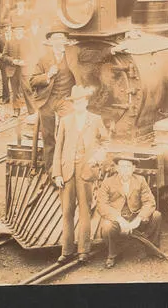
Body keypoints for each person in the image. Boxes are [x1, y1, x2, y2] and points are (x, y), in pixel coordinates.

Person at [52, 85, 108, 264]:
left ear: (86, 101)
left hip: (86, 172)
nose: (78, 104)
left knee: (85, 211)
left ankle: (84, 250)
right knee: (67, 212)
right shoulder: (65, 121)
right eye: (75, 102)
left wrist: (97, 158)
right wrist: (57, 174)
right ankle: (67, 250)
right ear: (72, 104)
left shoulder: (96, 119)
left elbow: (106, 143)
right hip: (67, 171)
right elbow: (58, 149)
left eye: (81, 101)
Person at [98, 154, 163, 269]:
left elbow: (149, 202)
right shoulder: (107, 182)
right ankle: (113, 254)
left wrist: (138, 219)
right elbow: (102, 205)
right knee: (107, 226)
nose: (125, 169)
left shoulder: (140, 180)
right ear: (117, 168)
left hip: (135, 215)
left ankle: (151, 248)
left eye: (128, 166)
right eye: (122, 166)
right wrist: (119, 219)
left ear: (133, 168)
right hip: (117, 217)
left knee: (156, 215)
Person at [31, 30, 77, 169]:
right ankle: (50, 168)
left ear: (65, 41)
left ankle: (66, 165)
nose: (58, 42)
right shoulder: (43, 60)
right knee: (48, 135)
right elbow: (32, 81)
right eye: (55, 39)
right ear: (50, 42)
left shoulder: (73, 57)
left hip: (66, 99)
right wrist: (48, 75)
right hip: (48, 100)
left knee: (69, 131)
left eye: (61, 38)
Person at [0, 24, 30, 116]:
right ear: (13, 32)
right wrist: (13, 60)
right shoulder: (9, 42)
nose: (18, 32)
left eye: (20, 30)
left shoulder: (27, 41)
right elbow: (3, 56)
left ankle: (31, 110)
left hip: (25, 69)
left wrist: (26, 61)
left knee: (27, 89)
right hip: (13, 70)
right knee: (15, 90)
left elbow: (33, 54)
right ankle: (16, 110)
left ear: (23, 31)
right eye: (16, 30)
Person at [0, 20, 12, 104]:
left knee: (16, 81)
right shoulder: (0, 38)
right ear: (3, 29)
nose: (6, 29)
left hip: (13, 62)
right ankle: (6, 98)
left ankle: (17, 98)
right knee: (5, 81)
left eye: (8, 27)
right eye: (4, 27)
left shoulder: (15, 36)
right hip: (4, 63)